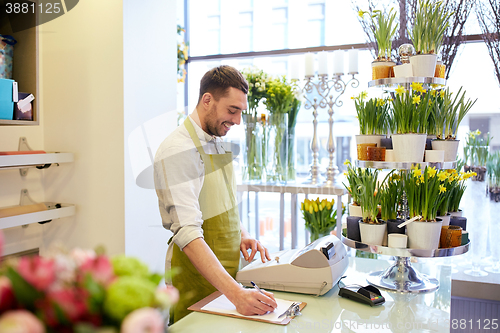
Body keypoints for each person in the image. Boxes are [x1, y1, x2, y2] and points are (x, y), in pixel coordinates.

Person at [154, 65, 277, 323]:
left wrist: (242, 235)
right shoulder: (178, 150)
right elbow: (187, 232)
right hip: (198, 282)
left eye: (241, 112)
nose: (237, 121)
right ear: (207, 100)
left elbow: (222, 203)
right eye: (232, 111)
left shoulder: (216, 140)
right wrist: (237, 294)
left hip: (229, 281)